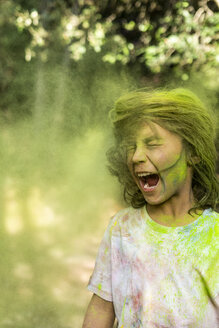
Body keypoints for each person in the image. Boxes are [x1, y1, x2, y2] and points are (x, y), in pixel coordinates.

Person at [82, 88, 219, 328]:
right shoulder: (121, 228)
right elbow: (102, 306)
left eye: (152, 144)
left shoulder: (215, 236)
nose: (136, 156)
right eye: (131, 147)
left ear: (193, 152)